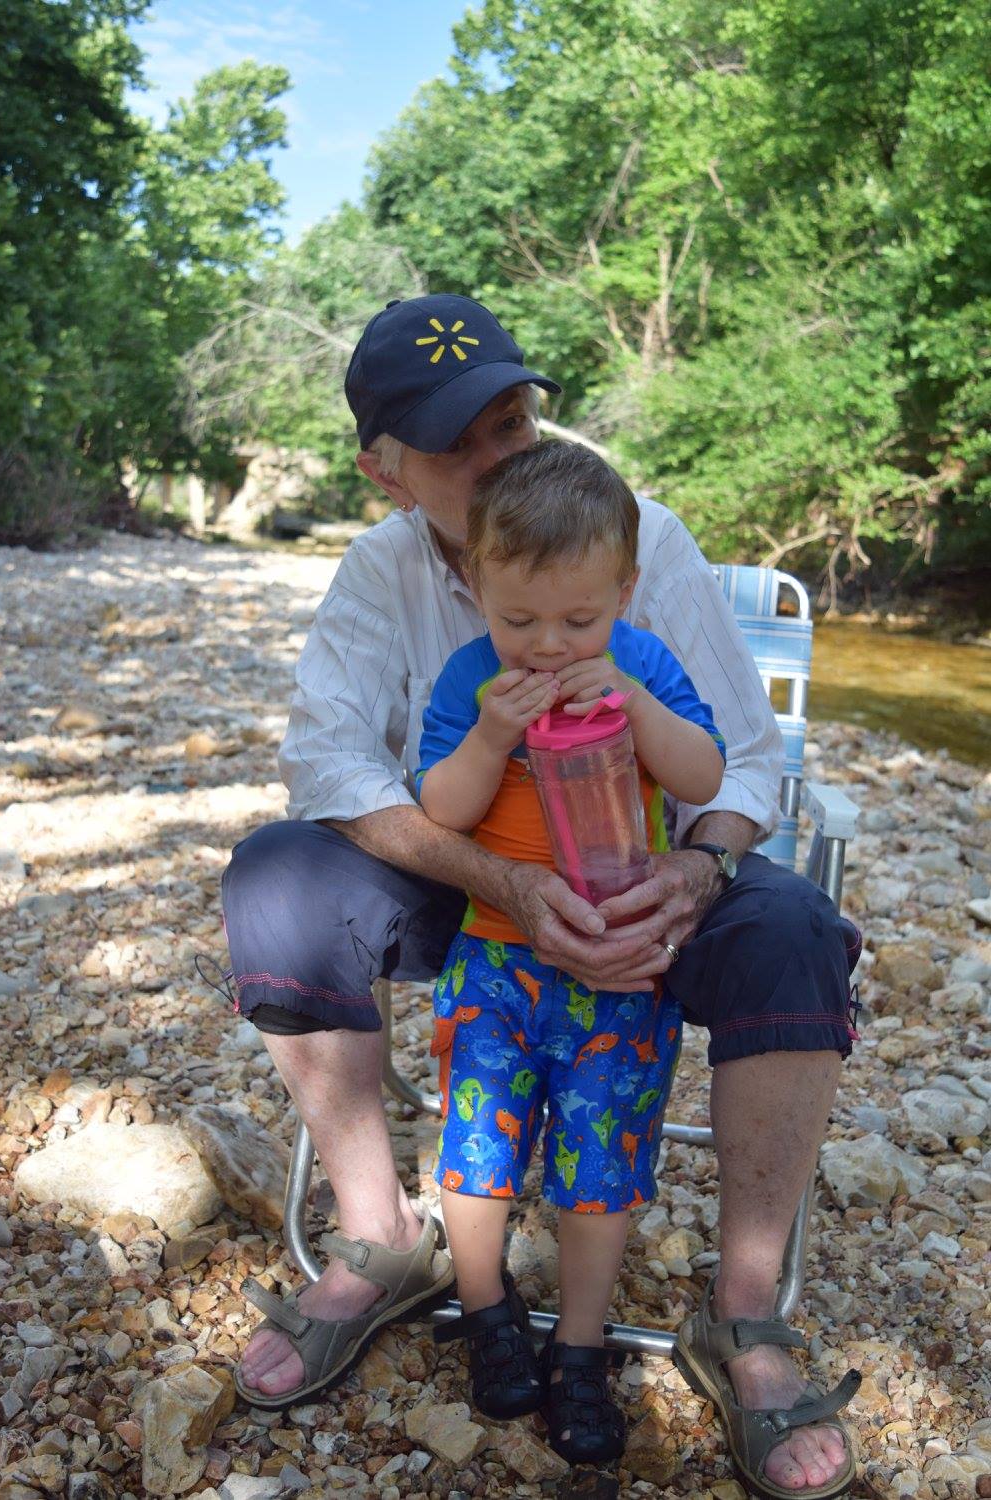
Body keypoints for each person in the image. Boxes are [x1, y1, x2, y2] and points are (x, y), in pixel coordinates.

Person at [224, 293, 861, 1496]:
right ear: (384, 472)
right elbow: (329, 765)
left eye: (509, 418)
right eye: (456, 440)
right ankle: (383, 1237)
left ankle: (743, 1313)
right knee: (279, 878)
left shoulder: (637, 539)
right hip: (478, 895)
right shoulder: (381, 572)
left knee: (792, 927)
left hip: (645, 877)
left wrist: (695, 871)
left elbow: (747, 762)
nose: (497, 453)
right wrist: (497, 876)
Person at [417, 440, 726, 1463]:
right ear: (475, 589)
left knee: (602, 1166)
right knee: (477, 1150)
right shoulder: (473, 679)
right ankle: (487, 1308)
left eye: (578, 619)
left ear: (625, 593)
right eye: (519, 620)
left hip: (617, 964)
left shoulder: (639, 665)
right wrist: (487, 740)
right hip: (495, 963)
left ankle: (583, 1349)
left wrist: (636, 706)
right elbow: (441, 813)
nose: (547, 646)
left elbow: (705, 772)